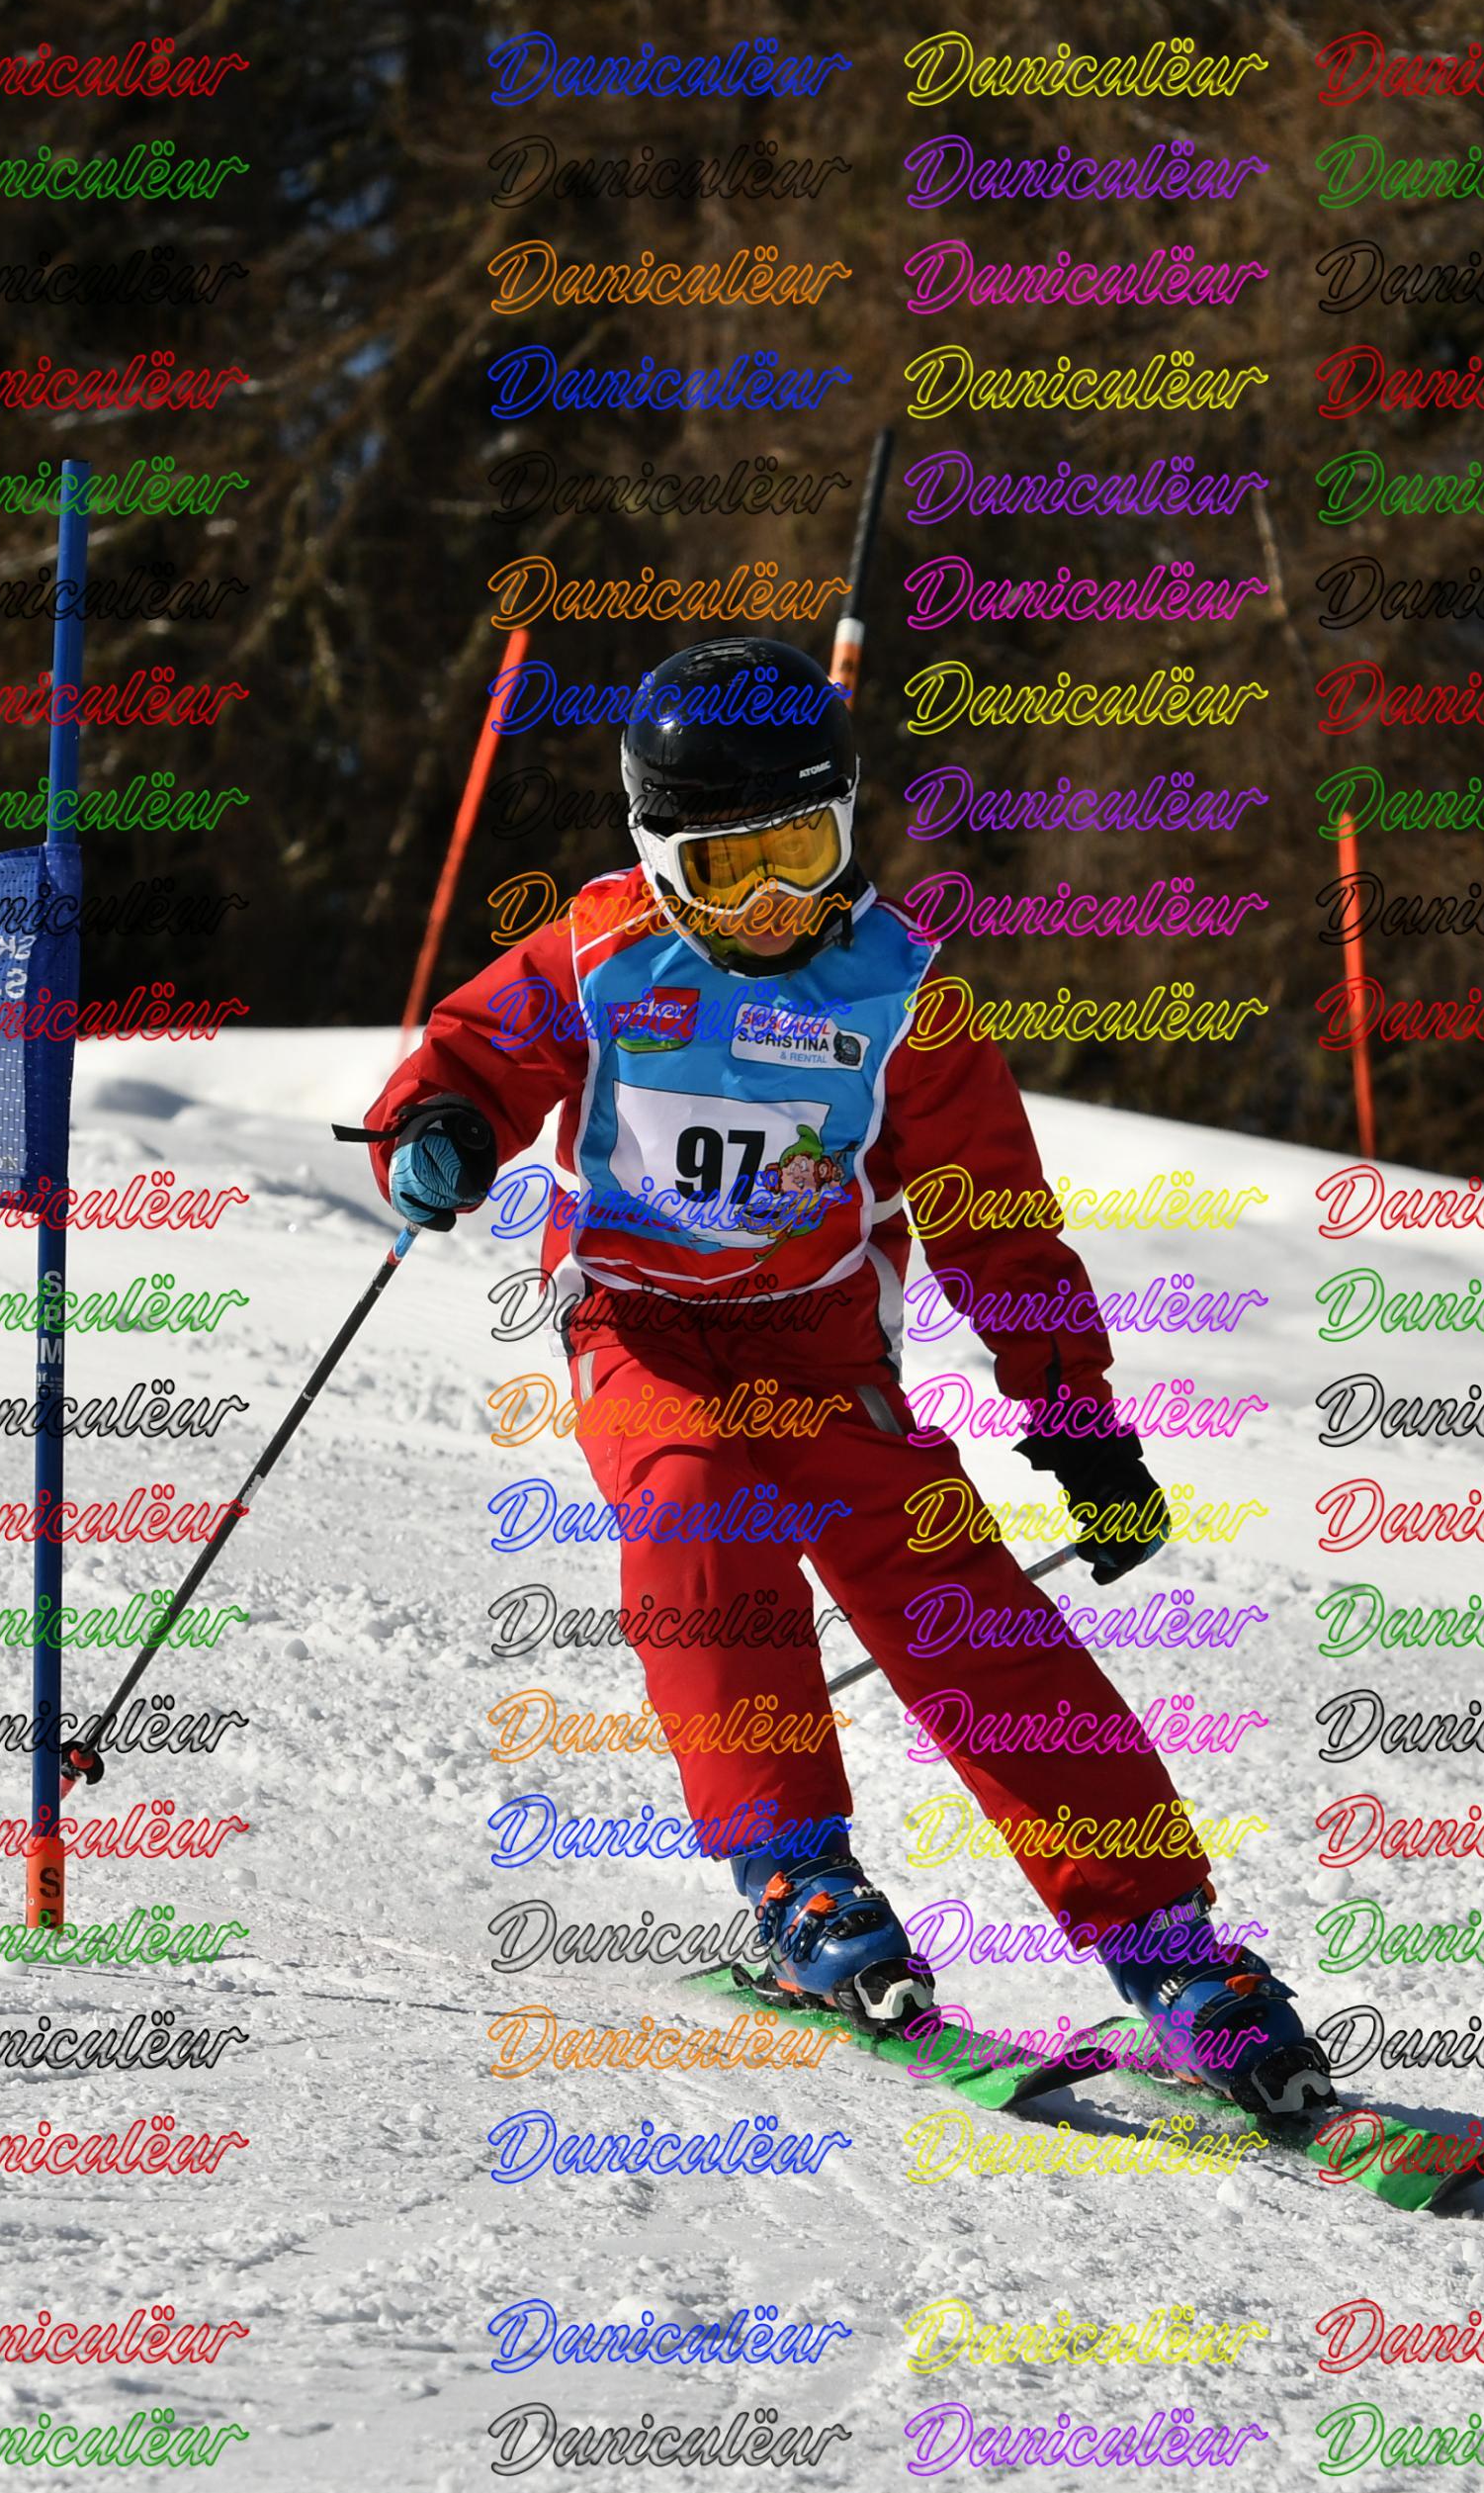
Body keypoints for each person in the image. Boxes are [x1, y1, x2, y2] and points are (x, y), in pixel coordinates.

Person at [355, 635, 1331, 2115]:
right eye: (728, 869)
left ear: (850, 824)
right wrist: (434, 1131)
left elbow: (997, 1224)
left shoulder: (904, 995)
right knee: (697, 1504)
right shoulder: (597, 957)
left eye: (802, 854)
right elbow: (470, 1063)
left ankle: (1169, 1946)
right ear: (659, 858)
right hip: (642, 1326)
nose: (773, 903)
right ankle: (797, 1882)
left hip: (821, 1350)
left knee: (962, 1601)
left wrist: (1081, 1428)